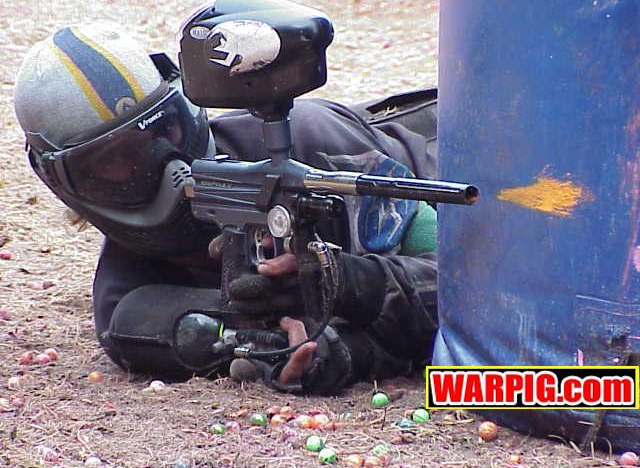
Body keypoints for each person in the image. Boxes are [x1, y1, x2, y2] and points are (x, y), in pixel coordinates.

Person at [13, 23, 439, 395]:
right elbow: (279, 349)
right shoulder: (131, 305)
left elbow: (461, 284)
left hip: (449, 151)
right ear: (73, 184)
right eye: (119, 159)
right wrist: (337, 354)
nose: (169, 167)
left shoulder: (314, 148)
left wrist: (346, 281)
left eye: (166, 130)